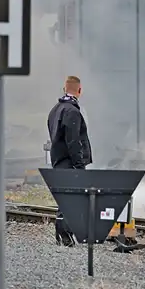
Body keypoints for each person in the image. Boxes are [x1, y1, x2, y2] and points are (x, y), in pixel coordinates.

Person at [47, 75, 93, 246]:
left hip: (59, 160)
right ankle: (65, 236)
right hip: (69, 162)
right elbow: (73, 141)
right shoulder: (72, 112)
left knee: (65, 198)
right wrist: (80, 166)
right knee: (71, 200)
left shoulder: (55, 110)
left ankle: (62, 236)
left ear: (64, 89)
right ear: (79, 91)